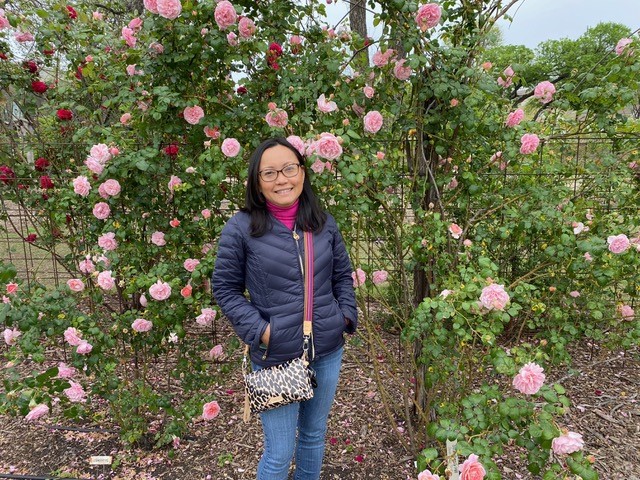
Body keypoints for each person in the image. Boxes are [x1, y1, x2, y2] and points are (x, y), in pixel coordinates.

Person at [212, 137, 357, 480]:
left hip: (327, 349)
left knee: (312, 437)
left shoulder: (323, 223)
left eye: (289, 169)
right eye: (270, 173)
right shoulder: (241, 229)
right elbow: (225, 288)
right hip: (276, 355)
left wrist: (344, 318)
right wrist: (262, 332)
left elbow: (342, 276)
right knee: (278, 454)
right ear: (257, 182)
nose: (282, 179)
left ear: (302, 174)